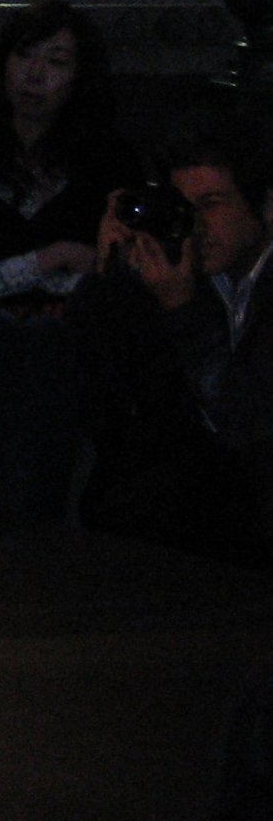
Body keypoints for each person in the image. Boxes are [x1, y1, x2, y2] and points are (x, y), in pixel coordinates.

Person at [0, 1, 141, 516]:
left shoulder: (108, 163)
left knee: (46, 345)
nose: (35, 75)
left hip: (75, 337)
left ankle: (22, 529)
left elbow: (122, 270)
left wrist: (37, 278)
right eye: (24, 56)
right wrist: (50, 259)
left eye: (56, 61)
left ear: (79, 76)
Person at [71, 129, 273, 558]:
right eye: (184, 207)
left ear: (266, 207)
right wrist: (111, 271)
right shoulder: (196, 275)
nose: (197, 226)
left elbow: (242, 423)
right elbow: (113, 406)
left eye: (212, 204)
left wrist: (182, 308)